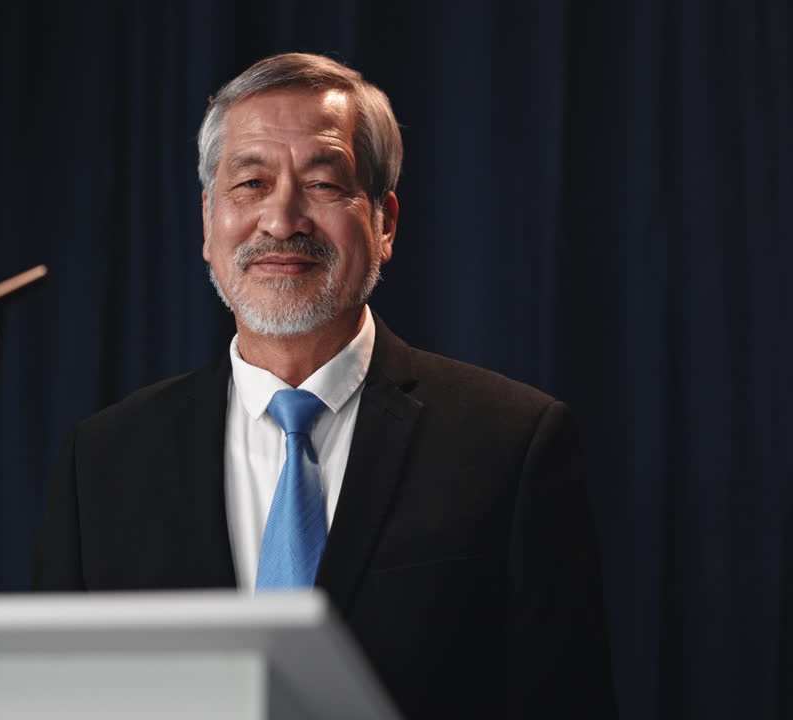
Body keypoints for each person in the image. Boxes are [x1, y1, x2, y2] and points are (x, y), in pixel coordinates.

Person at [33, 52, 616, 719]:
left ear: (385, 222)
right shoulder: (103, 462)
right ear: (207, 222)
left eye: (323, 184)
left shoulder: (511, 443)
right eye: (250, 184)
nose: (282, 221)